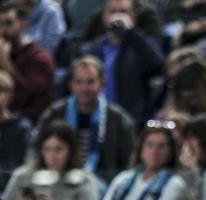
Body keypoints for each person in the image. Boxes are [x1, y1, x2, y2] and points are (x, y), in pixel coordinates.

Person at [36, 56, 135, 185]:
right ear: (71, 84)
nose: (84, 88)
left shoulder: (119, 120)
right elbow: (36, 151)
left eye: (90, 82)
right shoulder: (54, 115)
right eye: (79, 82)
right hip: (55, 179)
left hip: (103, 184)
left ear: (102, 84)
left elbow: (128, 164)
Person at [0, 122, 99, 200]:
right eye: (47, 149)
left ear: (70, 151)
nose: (52, 156)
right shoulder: (23, 176)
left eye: (59, 149)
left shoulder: (83, 180)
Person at [78, 0, 164, 128]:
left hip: (131, 122)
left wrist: (132, 31)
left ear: (133, 16)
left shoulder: (139, 47)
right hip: (96, 121)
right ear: (104, 17)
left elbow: (158, 63)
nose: (118, 17)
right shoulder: (91, 49)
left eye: (123, 12)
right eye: (113, 12)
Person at [0, 1, 56, 122]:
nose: (2, 31)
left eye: (8, 24)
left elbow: (25, 97)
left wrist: (5, 64)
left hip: (24, 125)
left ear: (23, 25)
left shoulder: (39, 59)